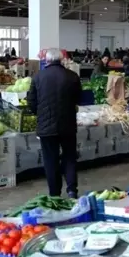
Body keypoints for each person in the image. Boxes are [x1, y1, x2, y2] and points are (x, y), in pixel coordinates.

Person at [27, 49, 82, 198]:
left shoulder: (38, 77)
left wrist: (40, 114)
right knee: (70, 157)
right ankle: (72, 190)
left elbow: (31, 101)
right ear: (62, 60)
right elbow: (79, 99)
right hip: (68, 125)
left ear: (47, 60)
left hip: (46, 127)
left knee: (50, 160)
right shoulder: (72, 76)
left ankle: (54, 194)